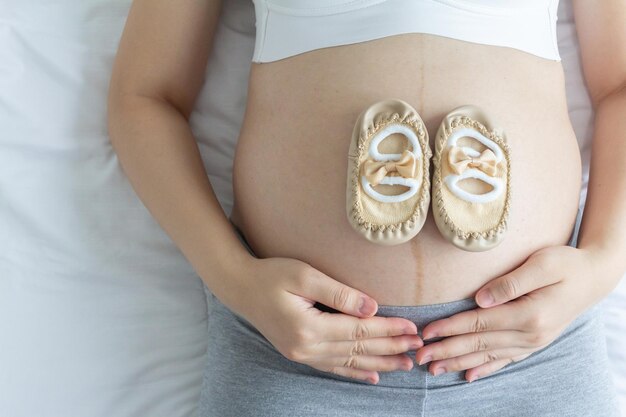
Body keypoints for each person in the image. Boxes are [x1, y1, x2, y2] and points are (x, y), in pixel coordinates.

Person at [106, 0, 625, 415]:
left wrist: (604, 264)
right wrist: (234, 280)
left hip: (535, 350)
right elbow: (146, 96)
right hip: (292, 353)